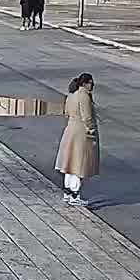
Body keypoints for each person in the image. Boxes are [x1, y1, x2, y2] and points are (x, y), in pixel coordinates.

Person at [55, 73, 100, 205]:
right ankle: (75, 196)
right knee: (78, 164)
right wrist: (91, 130)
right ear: (86, 83)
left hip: (70, 130)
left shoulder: (71, 94)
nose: (92, 86)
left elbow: (66, 113)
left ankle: (68, 193)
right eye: (91, 83)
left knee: (69, 164)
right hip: (81, 133)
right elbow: (87, 117)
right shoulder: (83, 95)